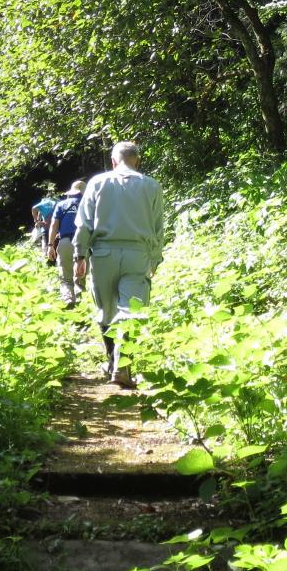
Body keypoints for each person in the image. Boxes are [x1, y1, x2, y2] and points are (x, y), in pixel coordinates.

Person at [74, 141, 164, 388]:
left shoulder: (98, 183)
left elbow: (84, 223)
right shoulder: (151, 186)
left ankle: (112, 363)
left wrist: (80, 255)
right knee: (131, 311)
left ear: (113, 161)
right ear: (138, 160)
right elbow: (158, 228)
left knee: (107, 311)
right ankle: (122, 365)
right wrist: (155, 259)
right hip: (138, 255)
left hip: (103, 254)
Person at [48, 179, 87, 308]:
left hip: (65, 242)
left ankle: (69, 300)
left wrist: (50, 246)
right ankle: (81, 298)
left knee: (66, 276)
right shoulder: (89, 204)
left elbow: (54, 226)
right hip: (84, 243)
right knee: (82, 273)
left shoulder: (61, 205)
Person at [31, 192, 57, 261]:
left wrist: (36, 221)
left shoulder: (43, 203)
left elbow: (34, 208)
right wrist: (38, 220)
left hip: (46, 227)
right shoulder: (55, 202)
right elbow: (40, 212)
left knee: (46, 243)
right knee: (54, 243)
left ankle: (48, 260)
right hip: (55, 227)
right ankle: (54, 259)